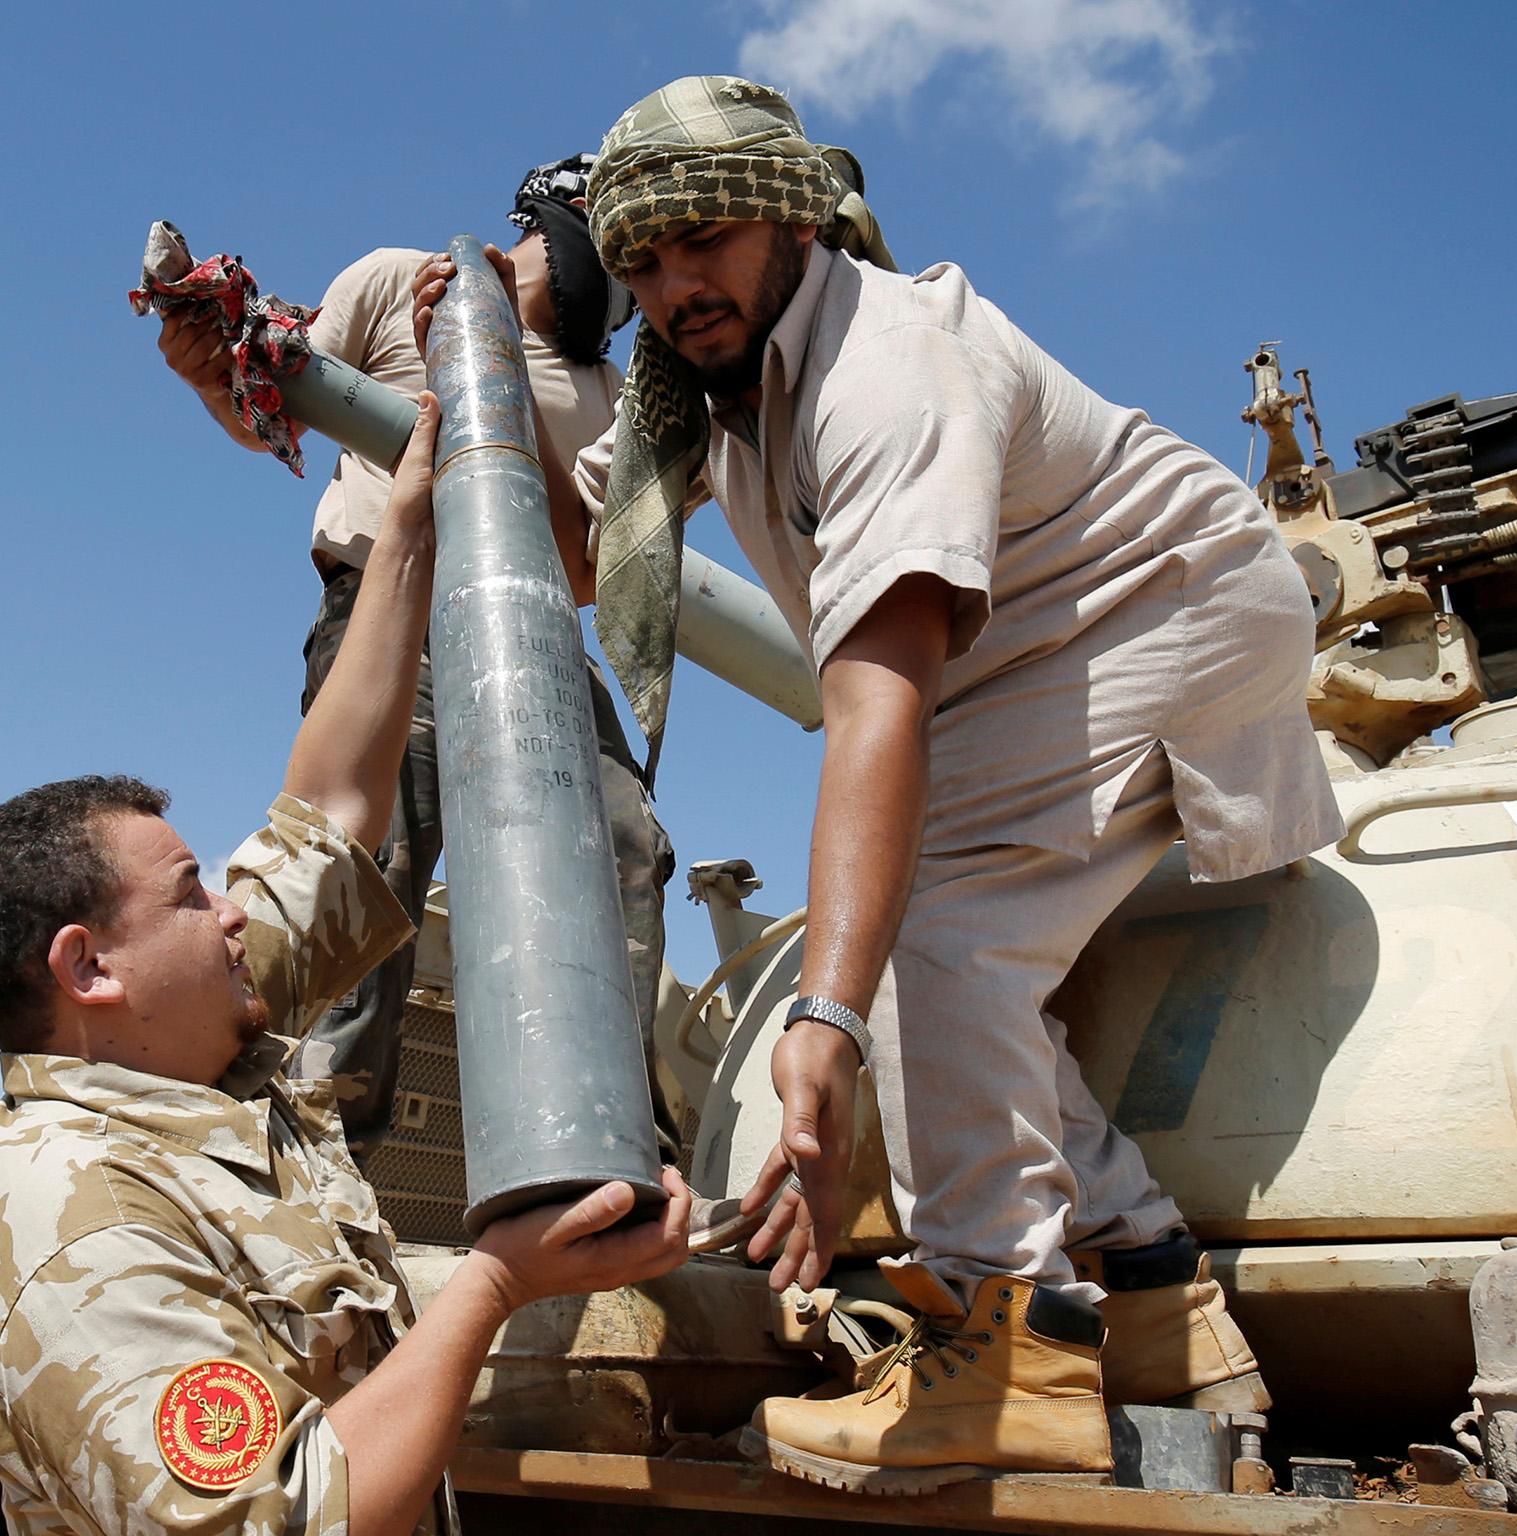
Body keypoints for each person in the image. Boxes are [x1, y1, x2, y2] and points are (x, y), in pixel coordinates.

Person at [428, 75, 1342, 1494]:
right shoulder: (698, 394)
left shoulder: (886, 364)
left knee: (934, 931)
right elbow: (583, 546)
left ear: (793, 220)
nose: (678, 288)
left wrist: (829, 1013)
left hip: (1163, 606)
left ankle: (1015, 1347)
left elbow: (877, 705)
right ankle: (1153, 1295)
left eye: (707, 242)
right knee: (931, 928)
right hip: (1025, 652)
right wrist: (478, 366)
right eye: (647, 263)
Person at [0, 398, 695, 1536]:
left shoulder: (187, 1057)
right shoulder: (76, 1217)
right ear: (88, 969)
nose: (232, 913)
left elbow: (329, 814)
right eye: (190, 895)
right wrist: (495, 1287)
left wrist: (410, 526)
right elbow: (276, 1520)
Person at [154, 155, 677, 1151]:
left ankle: (613, 1146)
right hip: (391, 607)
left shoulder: (624, 394)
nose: (634, 282)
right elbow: (272, 405)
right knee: (369, 860)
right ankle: (314, 1150)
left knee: (621, 846)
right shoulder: (396, 280)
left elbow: (587, 568)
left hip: (536, 633)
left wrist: (481, 376)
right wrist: (210, 370)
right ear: (566, 216)